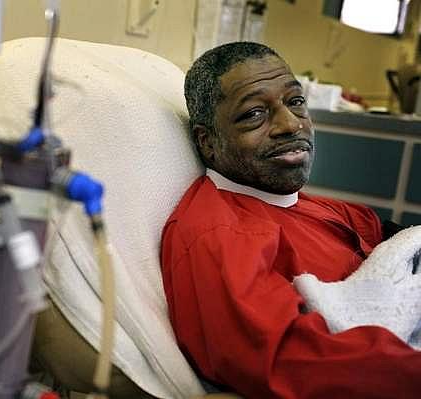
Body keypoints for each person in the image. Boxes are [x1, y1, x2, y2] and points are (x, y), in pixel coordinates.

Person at [160, 42, 421, 398]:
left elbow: (392, 238)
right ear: (207, 142)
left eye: (295, 102)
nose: (290, 124)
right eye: (253, 114)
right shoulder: (220, 239)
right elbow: (298, 363)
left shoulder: (310, 207)